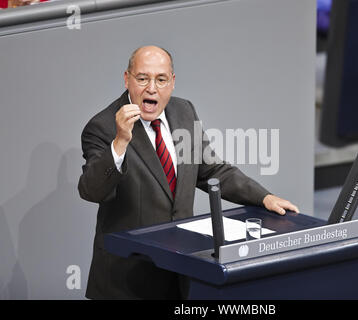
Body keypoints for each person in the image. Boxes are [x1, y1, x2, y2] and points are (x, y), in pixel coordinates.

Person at [78, 45, 299, 299]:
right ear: (127, 79)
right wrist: (119, 143)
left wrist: (264, 197)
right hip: (128, 281)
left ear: (172, 83)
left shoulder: (183, 112)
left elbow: (213, 171)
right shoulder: (103, 127)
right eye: (142, 78)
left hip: (180, 272)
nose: (152, 88)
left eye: (161, 79)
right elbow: (91, 190)